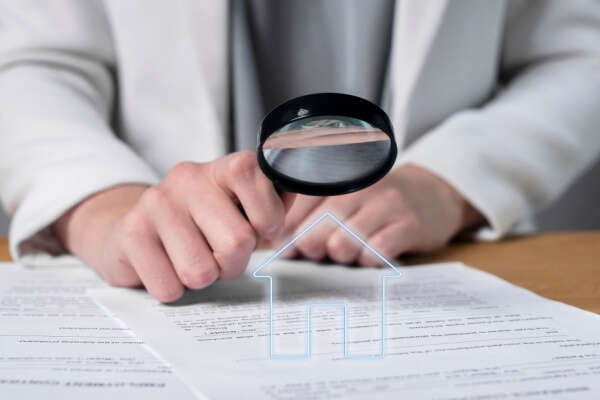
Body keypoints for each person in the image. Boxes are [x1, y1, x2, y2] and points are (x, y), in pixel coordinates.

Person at [0, 0, 599, 302]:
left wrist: (449, 181)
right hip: (166, 276)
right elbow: (29, 61)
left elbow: (582, 51)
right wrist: (107, 206)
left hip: (429, 259)